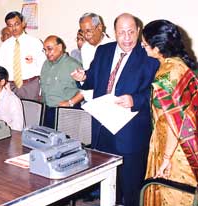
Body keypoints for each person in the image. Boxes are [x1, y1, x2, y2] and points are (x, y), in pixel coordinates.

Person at [71, 13, 159, 206]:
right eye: (122, 33)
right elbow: (93, 78)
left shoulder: (149, 56)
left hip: (130, 132)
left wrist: (134, 99)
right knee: (107, 185)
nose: (127, 38)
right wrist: (83, 78)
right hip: (102, 128)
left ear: (138, 31)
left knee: (131, 188)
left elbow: (156, 93)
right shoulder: (103, 50)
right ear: (114, 33)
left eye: (131, 32)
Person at [141, 19, 198, 206]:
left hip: (176, 149)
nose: (142, 46)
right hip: (191, 141)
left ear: (157, 49)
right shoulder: (182, 64)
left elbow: (175, 123)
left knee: (173, 195)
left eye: (145, 44)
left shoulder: (165, 76)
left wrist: (165, 159)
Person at [0, 11, 46, 101]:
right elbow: (1, 70)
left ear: (23, 24)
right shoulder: (4, 46)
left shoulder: (35, 42)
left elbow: (43, 67)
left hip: (30, 85)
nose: (14, 28)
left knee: (31, 113)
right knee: (11, 113)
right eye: (10, 26)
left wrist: (41, 90)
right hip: (10, 86)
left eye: (16, 24)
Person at [41, 35, 83, 128]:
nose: (47, 53)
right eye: (45, 50)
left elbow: (85, 90)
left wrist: (70, 103)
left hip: (66, 112)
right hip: (47, 111)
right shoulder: (45, 64)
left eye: (50, 49)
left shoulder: (72, 65)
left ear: (60, 47)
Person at [79, 13, 112, 101]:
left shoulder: (113, 47)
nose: (86, 35)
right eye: (83, 31)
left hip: (106, 100)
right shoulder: (85, 48)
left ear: (100, 27)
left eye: (88, 31)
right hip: (89, 100)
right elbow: (88, 77)